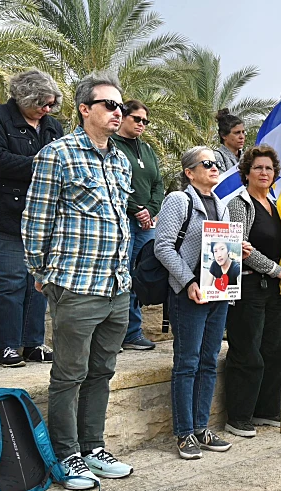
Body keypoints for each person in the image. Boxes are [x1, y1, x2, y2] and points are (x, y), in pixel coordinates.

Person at [23, 71, 134, 488]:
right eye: (108, 104)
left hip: (116, 288)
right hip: (76, 285)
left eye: (120, 106)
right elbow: (36, 219)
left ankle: (93, 447)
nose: (117, 112)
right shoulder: (58, 154)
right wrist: (42, 273)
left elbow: (119, 220)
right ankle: (66, 456)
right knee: (68, 375)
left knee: (102, 371)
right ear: (85, 109)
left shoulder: (121, 160)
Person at [155, 146, 241, 459]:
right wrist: (188, 282)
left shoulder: (222, 204)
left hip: (217, 294)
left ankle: (202, 428)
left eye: (217, 163)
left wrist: (236, 252)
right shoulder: (179, 200)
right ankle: (184, 433)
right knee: (187, 363)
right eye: (207, 163)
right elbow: (162, 247)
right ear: (190, 172)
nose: (215, 167)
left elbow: (220, 249)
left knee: (208, 361)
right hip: (188, 294)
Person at [0, 69, 63, 368]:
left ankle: (33, 343)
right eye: (42, 104)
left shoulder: (52, 126)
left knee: (38, 281)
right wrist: (40, 165)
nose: (47, 110)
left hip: (42, 215)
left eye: (51, 104)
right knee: (11, 280)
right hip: (4, 213)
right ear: (25, 97)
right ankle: (8, 346)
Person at [224, 145, 281, 437]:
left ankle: (266, 410)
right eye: (258, 168)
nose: (264, 172)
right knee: (247, 350)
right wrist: (276, 270)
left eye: (268, 168)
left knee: (274, 349)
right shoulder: (239, 204)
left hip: (274, 290)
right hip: (249, 286)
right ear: (247, 173)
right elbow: (241, 247)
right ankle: (239, 415)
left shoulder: (277, 205)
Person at [112, 99, 164, 351]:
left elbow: (158, 184)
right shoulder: (111, 145)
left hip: (146, 224)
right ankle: (114, 334)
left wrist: (151, 210)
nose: (142, 124)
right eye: (137, 119)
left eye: (146, 121)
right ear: (122, 117)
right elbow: (114, 182)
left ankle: (133, 332)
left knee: (140, 276)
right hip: (122, 220)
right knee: (119, 274)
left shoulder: (148, 150)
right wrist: (136, 209)